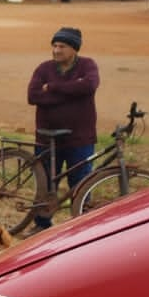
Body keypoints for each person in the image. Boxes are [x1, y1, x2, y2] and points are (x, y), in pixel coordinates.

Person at [27, 26, 99, 232]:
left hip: (80, 138)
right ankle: (41, 225)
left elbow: (89, 86)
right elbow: (33, 96)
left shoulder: (88, 65)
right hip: (47, 137)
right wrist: (72, 91)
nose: (57, 50)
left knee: (80, 183)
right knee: (46, 183)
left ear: (74, 49)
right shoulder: (43, 69)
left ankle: (81, 228)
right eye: (55, 45)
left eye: (63, 46)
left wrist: (53, 87)